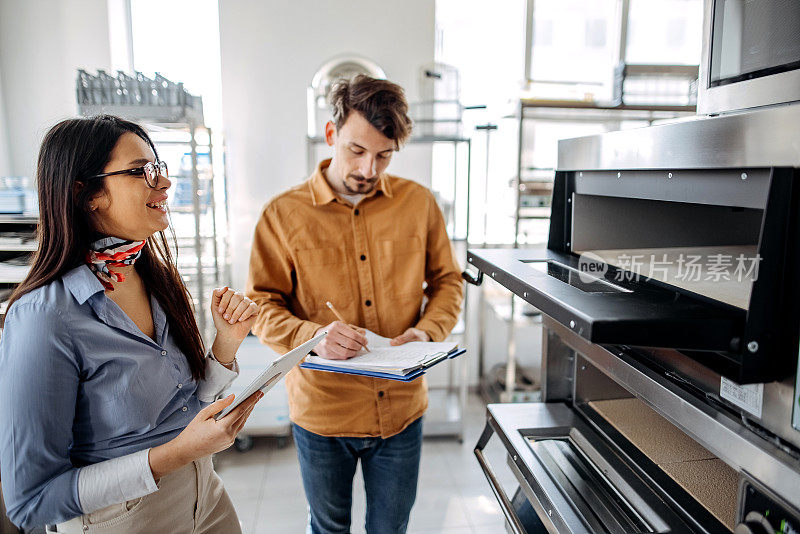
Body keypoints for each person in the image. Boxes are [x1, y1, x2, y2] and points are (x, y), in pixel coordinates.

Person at [0, 115, 262, 533]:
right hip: (125, 518)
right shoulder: (44, 317)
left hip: (205, 496)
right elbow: (31, 501)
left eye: (158, 168)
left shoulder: (149, 275)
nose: (164, 183)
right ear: (87, 195)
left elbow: (180, 407)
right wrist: (177, 453)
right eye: (142, 171)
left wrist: (225, 346)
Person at [246, 75, 464, 533]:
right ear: (331, 135)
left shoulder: (419, 204)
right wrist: (313, 337)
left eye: (384, 155)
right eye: (356, 150)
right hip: (323, 413)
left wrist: (426, 332)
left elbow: (448, 282)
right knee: (329, 530)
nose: (369, 168)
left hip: (403, 410)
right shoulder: (282, 215)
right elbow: (262, 306)